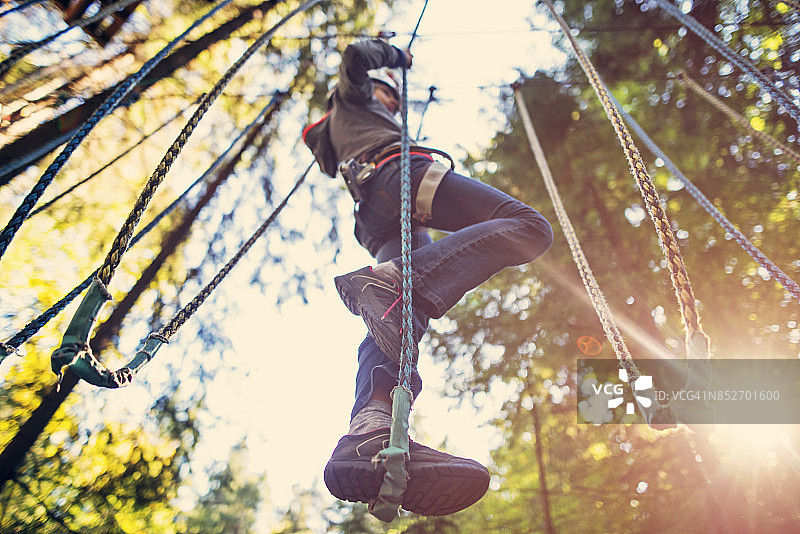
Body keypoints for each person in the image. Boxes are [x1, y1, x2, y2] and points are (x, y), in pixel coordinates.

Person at [302, 39, 554, 516]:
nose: (393, 102)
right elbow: (356, 56)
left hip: (376, 209)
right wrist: (395, 58)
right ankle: (394, 282)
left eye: (395, 99)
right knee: (528, 228)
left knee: (398, 314)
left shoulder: (342, 139)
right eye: (388, 95)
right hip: (397, 177)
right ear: (367, 91)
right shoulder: (351, 100)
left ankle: (370, 431)